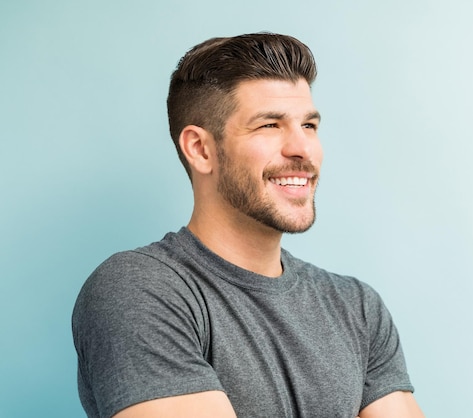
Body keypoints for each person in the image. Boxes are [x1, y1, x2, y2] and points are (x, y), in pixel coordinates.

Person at [72, 33, 426, 418]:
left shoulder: (357, 307)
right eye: (270, 125)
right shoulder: (139, 289)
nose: (302, 149)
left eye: (309, 125)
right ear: (201, 149)